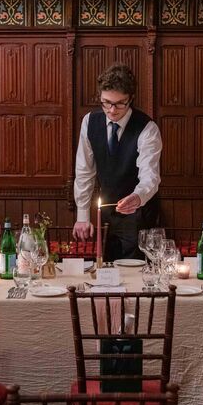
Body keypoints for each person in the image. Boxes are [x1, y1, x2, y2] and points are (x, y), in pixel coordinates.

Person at [72, 63, 162, 261]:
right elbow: (84, 171)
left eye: (120, 104)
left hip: (139, 215)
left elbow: (150, 176)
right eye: (106, 102)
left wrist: (137, 197)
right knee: (104, 270)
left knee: (135, 271)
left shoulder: (147, 128)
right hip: (104, 213)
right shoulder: (89, 122)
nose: (112, 110)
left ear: (131, 99)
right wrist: (82, 216)